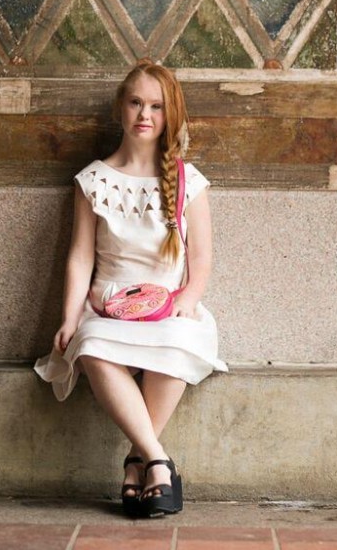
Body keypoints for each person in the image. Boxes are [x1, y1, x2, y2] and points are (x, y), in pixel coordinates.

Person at [34, 59, 227, 517]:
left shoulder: (187, 181)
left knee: (178, 342)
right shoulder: (93, 180)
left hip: (168, 308)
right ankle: (157, 460)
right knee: (92, 345)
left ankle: (138, 463)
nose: (145, 114)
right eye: (136, 102)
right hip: (107, 309)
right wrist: (68, 316)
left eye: (157, 106)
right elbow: (80, 256)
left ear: (170, 115)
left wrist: (189, 299)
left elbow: (200, 257)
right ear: (120, 107)